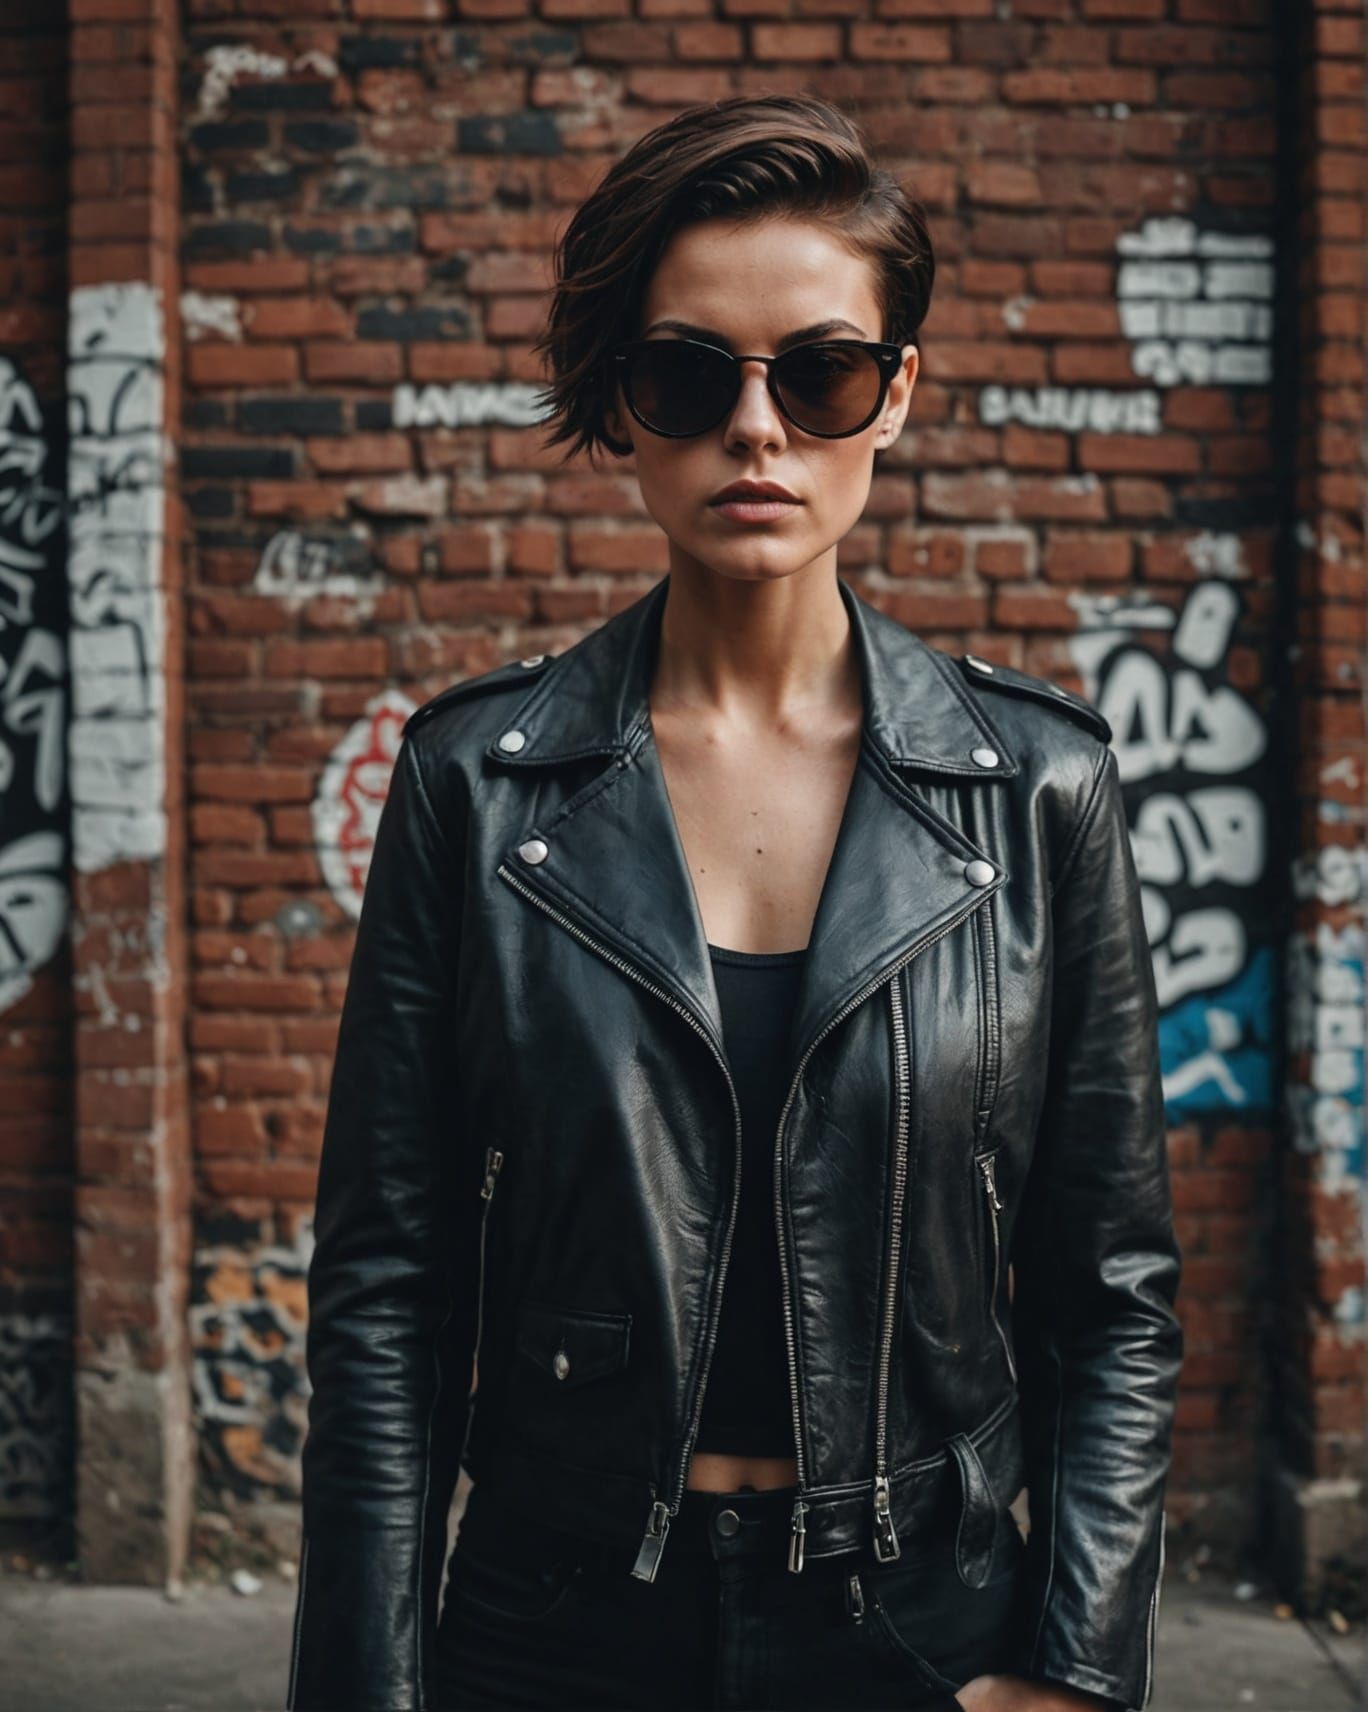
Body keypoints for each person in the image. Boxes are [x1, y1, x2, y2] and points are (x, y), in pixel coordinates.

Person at [286, 93, 1183, 1712]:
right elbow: (386, 1291)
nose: (756, 431)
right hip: (554, 1621)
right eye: (691, 375)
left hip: (921, 1621)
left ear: (897, 394)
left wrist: (1075, 1668)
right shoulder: (477, 785)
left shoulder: (1039, 791)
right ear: (621, 407)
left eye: (822, 372)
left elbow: (1110, 1294)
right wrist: (363, 1683)